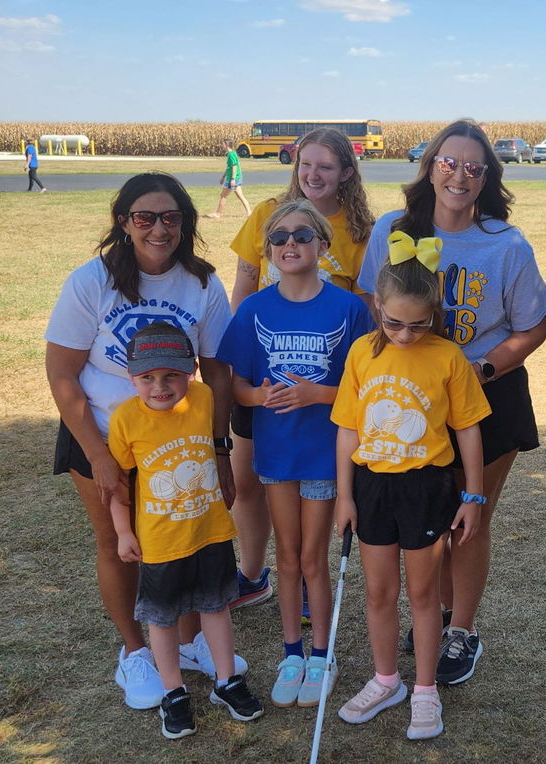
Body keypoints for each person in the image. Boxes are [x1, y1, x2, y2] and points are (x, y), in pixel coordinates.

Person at [357, 118, 546, 685]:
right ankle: (434, 616)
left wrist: (482, 368)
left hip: (488, 397)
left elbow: (534, 325)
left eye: (473, 167)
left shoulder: (506, 244)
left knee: (470, 518)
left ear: (487, 177)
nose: (459, 175)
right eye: (449, 162)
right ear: (430, 167)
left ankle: (461, 629)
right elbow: (371, 298)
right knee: (425, 517)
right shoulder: (393, 229)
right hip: (411, 401)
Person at [45, 172, 241, 710]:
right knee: (121, 543)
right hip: (103, 434)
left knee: (187, 536)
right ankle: (135, 652)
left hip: (179, 442)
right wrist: (99, 456)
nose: (159, 228)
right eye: (145, 217)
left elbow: (216, 372)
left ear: (185, 223)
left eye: (171, 217)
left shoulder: (201, 283)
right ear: (124, 222)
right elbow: (62, 375)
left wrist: (219, 450)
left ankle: (188, 644)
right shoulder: (93, 281)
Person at [332, 236, 491, 739]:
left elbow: (468, 429)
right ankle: (386, 681)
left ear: (434, 315)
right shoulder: (361, 353)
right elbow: (348, 429)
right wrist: (344, 495)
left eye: (418, 324)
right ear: (377, 306)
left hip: (425, 486)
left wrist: (473, 496)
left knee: (423, 594)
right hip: (372, 486)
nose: (405, 334)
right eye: (394, 322)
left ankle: (425, 689)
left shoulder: (448, 357)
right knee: (379, 591)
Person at [216, 200, 373, 708]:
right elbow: (236, 385)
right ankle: (291, 654)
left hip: (325, 455)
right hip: (276, 454)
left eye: (302, 235)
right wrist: (260, 397)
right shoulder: (254, 310)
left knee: (311, 557)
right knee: (285, 556)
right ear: (267, 250)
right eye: (279, 237)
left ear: (322, 246)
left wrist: (316, 394)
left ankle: (322, 654)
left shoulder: (348, 309)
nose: (290, 243)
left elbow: (366, 388)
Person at [225, 128, 375, 618]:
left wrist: (326, 391)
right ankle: (253, 573)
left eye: (326, 166)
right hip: (265, 370)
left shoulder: (361, 231)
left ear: (346, 173)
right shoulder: (267, 213)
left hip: (324, 388)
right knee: (250, 479)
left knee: (315, 490)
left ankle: (312, 581)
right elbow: (244, 288)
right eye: (306, 164)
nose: (313, 174)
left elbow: (365, 317)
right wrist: (249, 363)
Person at [108, 322, 264, 739]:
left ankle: (226, 680)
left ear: (191, 371)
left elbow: (217, 445)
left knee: (216, 607)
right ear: (131, 377)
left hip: (210, 531)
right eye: (147, 377)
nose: (160, 386)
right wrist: (124, 532)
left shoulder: (205, 398)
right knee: (163, 619)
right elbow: (119, 485)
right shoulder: (125, 420)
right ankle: (172, 692)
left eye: (171, 375)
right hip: (161, 542)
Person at [203, 138, 251, 218]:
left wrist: (233, 179)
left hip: (233, 179)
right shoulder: (232, 153)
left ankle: (218, 213)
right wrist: (223, 176)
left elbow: (234, 166)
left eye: (223, 144)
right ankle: (249, 213)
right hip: (236, 178)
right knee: (240, 196)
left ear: (226, 145)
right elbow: (229, 167)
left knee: (223, 195)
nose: (221, 146)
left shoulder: (231, 154)